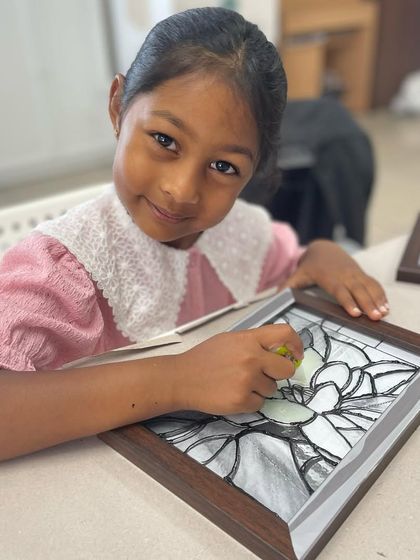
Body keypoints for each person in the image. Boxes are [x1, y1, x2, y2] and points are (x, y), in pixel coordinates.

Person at [0, 7, 388, 461]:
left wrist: (323, 253)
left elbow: (294, 261)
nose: (182, 190)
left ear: (253, 173)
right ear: (117, 107)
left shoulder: (241, 235)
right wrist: (177, 380)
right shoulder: (61, 271)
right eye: (165, 140)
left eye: (223, 167)